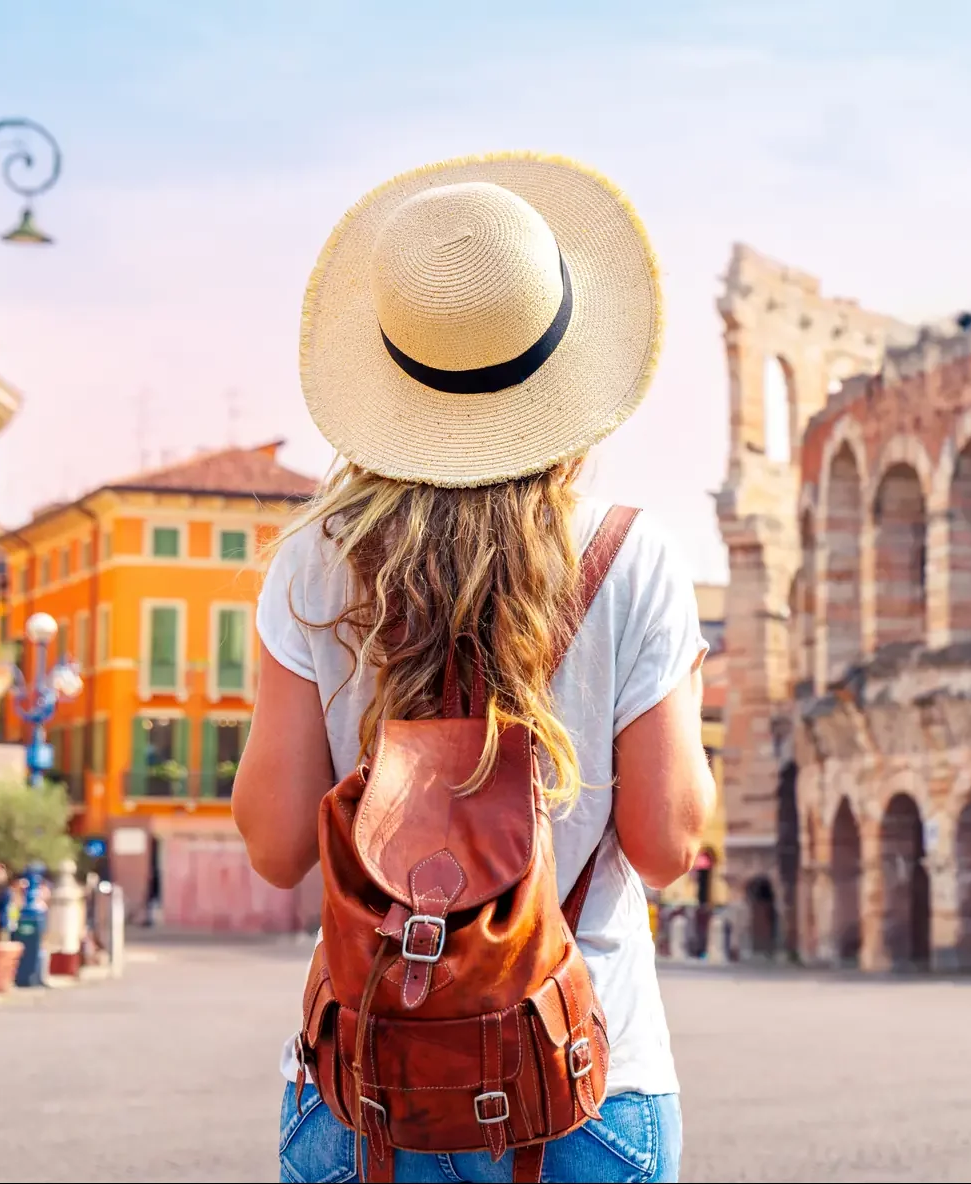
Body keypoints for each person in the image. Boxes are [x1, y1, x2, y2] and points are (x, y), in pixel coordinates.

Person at [233, 152, 715, 1183]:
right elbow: (668, 842)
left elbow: (276, 843)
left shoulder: (312, 561)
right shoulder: (633, 558)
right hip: (585, 1082)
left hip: (364, 1093)